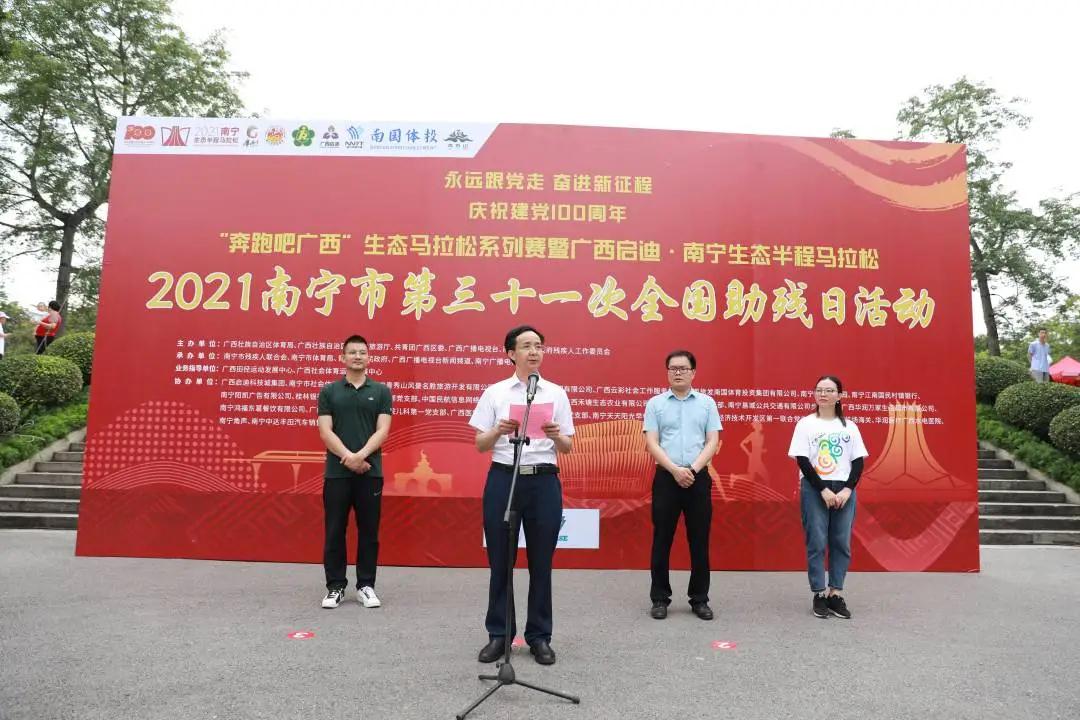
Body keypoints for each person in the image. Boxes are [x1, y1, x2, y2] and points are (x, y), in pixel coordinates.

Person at [469, 325, 574, 666]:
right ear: (511, 353)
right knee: (501, 562)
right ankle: (499, 634)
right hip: (505, 477)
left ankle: (539, 636)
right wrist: (498, 430)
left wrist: (556, 435)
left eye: (539, 346)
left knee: (541, 564)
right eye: (526, 346)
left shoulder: (556, 393)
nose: (534, 352)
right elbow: (480, 444)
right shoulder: (495, 393)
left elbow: (568, 447)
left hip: (543, 481)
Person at [642, 349, 722, 621]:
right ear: (667, 372)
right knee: (661, 539)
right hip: (666, 477)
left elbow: (712, 441)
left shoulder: (707, 404)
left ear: (693, 372)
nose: (678, 372)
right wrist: (675, 470)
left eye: (683, 368)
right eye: (673, 368)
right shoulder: (655, 404)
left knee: (699, 540)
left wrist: (692, 469)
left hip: (697, 478)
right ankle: (659, 598)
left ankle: (699, 599)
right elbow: (652, 442)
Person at [316, 334, 392, 609]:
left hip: (370, 472)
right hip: (337, 473)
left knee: (369, 532)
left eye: (362, 352)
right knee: (335, 530)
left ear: (369, 357)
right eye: (352, 352)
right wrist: (349, 458)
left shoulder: (381, 391)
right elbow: (325, 431)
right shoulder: (329, 391)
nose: (357, 356)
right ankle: (335, 586)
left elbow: (383, 430)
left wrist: (360, 456)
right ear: (343, 357)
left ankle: (366, 586)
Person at [787, 375, 869, 620]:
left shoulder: (850, 427)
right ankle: (819, 593)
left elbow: (858, 461)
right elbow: (803, 460)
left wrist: (847, 490)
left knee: (841, 541)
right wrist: (822, 489)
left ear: (839, 396)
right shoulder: (805, 424)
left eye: (829, 390)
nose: (823, 394)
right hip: (815, 488)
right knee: (816, 540)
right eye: (819, 390)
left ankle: (835, 593)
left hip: (844, 489)